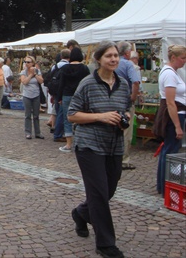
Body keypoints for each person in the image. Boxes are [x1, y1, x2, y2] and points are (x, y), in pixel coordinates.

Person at [68, 41, 130, 258]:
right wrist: (101, 117)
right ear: (98, 60)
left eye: (116, 56)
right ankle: (105, 244)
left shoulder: (123, 84)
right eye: (108, 56)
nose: (113, 59)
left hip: (113, 145)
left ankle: (80, 213)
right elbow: (72, 115)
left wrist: (125, 118)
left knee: (109, 190)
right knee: (99, 194)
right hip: (88, 145)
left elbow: (126, 109)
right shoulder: (87, 83)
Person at [156, 45, 186, 196]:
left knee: (168, 151)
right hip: (174, 115)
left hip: (178, 113)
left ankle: (163, 185)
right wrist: (177, 126)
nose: (184, 61)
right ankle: (164, 185)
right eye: (183, 58)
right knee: (170, 152)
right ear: (173, 57)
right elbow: (170, 102)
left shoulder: (174, 73)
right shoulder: (169, 74)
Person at [57, 47, 90, 152]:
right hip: (80, 95)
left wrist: (59, 97)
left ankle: (68, 144)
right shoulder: (84, 68)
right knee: (81, 118)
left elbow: (61, 84)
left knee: (68, 119)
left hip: (66, 95)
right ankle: (80, 142)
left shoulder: (65, 68)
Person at [115, 41, 141, 170]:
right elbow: (135, 82)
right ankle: (123, 160)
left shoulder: (113, 63)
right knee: (126, 131)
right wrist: (133, 97)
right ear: (127, 53)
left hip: (111, 100)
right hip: (125, 101)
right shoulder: (128, 65)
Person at [20, 55, 44, 139]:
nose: (26, 64)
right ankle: (28, 132)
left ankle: (38, 132)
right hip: (27, 95)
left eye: (28, 62)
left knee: (36, 115)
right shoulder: (23, 72)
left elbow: (41, 81)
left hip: (36, 95)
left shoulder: (37, 71)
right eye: (25, 62)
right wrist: (30, 75)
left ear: (33, 63)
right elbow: (24, 82)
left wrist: (36, 75)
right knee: (27, 115)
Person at [51, 49, 70, 142]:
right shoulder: (68, 67)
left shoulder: (55, 66)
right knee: (61, 115)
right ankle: (58, 134)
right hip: (63, 93)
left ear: (61, 56)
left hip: (55, 92)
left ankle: (58, 132)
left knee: (58, 113)